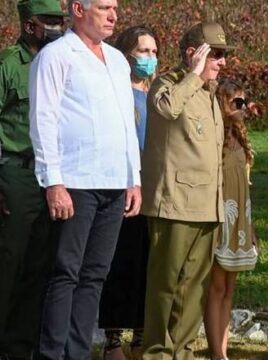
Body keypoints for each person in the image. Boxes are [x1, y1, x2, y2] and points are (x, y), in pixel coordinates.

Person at [28, 0, 142, 358]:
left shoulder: (119, 60)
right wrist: (53, 182)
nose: (114, 15)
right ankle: (51, 354)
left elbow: (127, 123)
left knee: (95, 275)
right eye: (105, 7)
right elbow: (42, 119)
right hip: (75, 181)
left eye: (116, 8)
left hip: (113, 182)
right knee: (66, 273)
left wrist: (133, 177)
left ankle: (76, 352)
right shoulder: (56, 56)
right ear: (79, 8)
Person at [140, 21, 230, 360]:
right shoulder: (168, 84)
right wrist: (193, 75)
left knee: (194, 290)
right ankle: (157, 353)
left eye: (223, 55)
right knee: (166, 288)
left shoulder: (209, 92)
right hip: (175, 206)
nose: (222, 62)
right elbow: (166, 109)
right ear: (193, 54)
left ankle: (183, 352)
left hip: (207, 206)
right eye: (216, 55)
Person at [0, 1, 64, 359]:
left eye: (60, 20)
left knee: (40, 264)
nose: (57, 27)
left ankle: (21, 346)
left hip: (52, 176)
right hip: (16, 172)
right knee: (10, 261)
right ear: (29, 25)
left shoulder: (61, 63)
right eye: (49, 21)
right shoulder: (9, 65)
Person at [97, 25, 158, 360]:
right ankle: (112, 339)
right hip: (122, 189)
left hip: (154, 192)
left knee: (146, 265)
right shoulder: (117, 94)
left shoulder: (154, 95)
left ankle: (139, 334)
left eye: (152, 52)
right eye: (142, 51)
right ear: (126, 55)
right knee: (118, 263)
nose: (149, 58)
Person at [204, 78, 258, 360]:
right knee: (216, 286)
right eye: (235, 102)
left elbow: (245, 188)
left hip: (239, 220)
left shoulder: (240, 135)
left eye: (243, 101)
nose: (242, 107)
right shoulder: (214, 139)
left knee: (229, 288)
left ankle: (222, 349)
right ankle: (216, 352)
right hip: (220, 219)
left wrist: (251, 229)